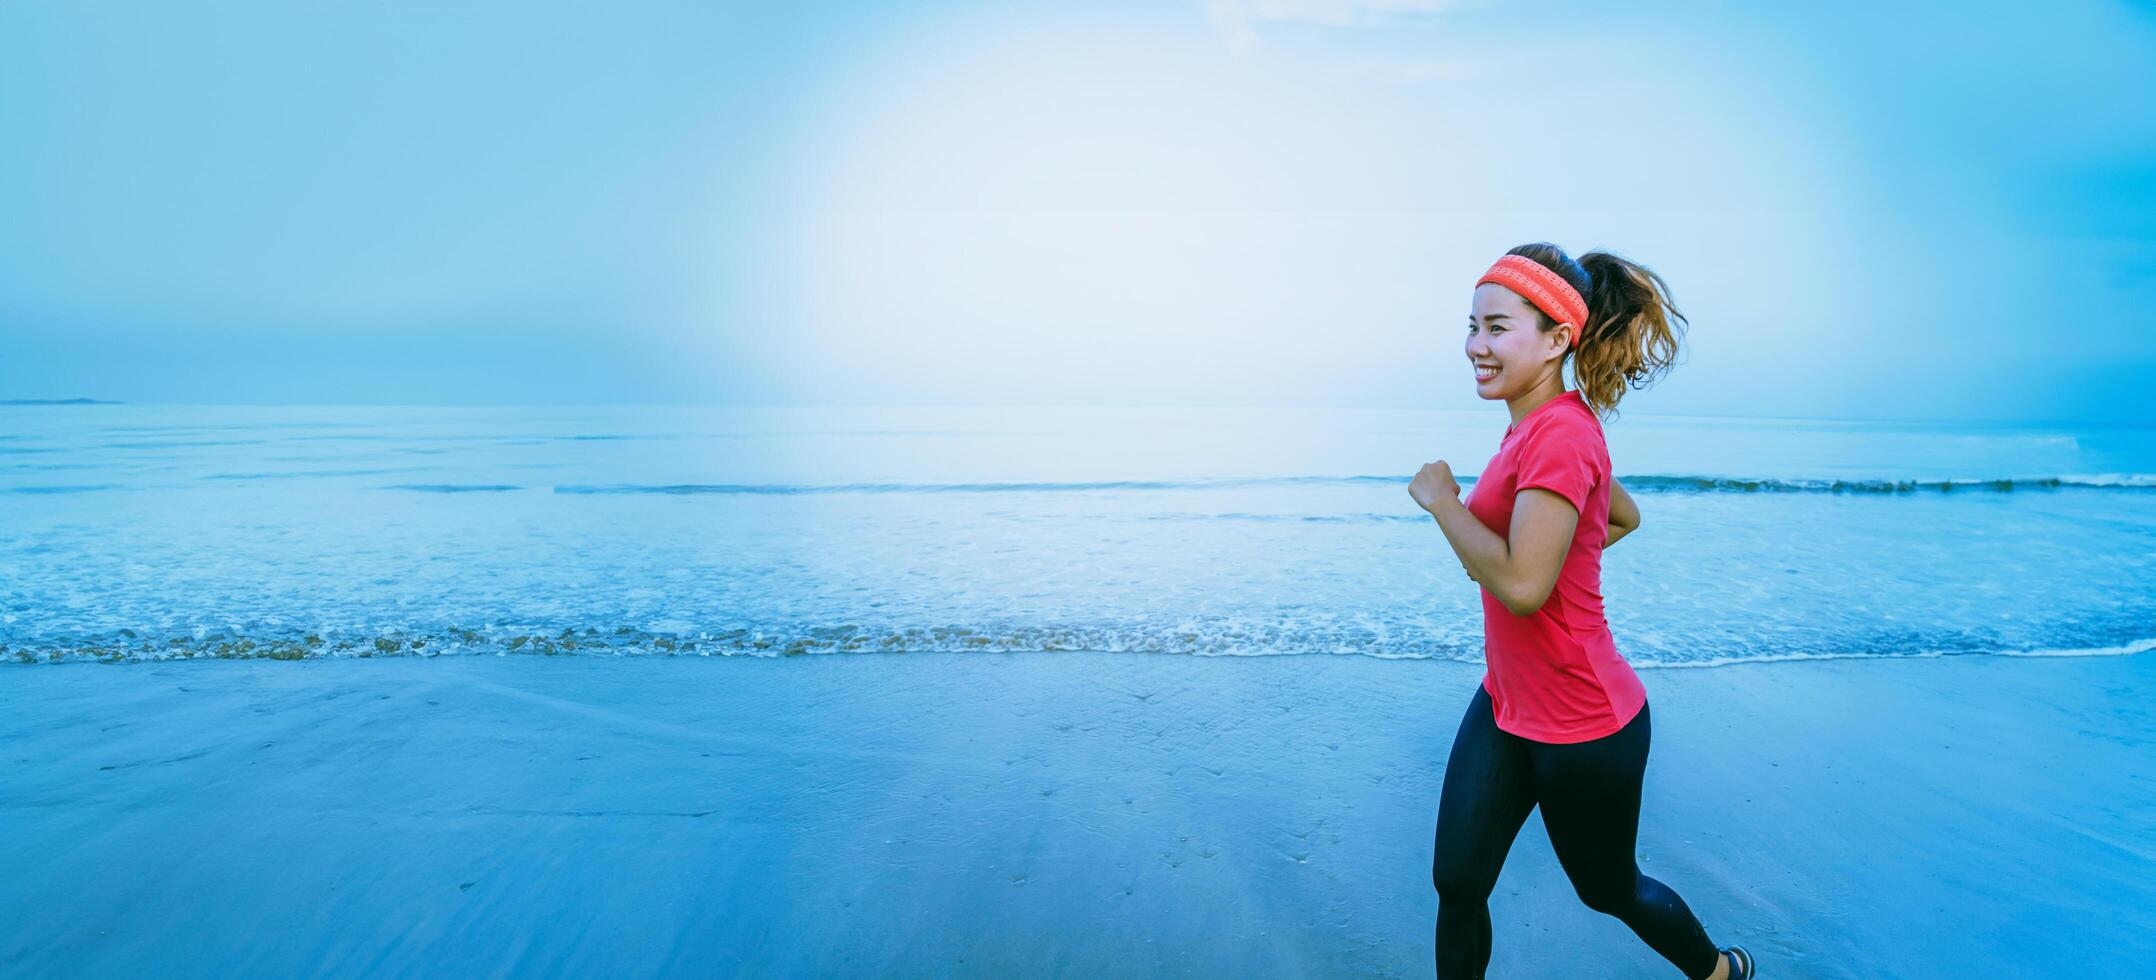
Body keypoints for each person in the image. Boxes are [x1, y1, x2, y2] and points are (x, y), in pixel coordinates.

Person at [1406, 244, 1755, 979]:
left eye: (1497, 327)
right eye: (1471, 326)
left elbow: (1525, 587)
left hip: (1584, 719)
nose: (1476, 344)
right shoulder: (1537, 427)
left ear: (1558, 337)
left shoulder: (1561, 433)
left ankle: (1721, 972)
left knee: (1608, 889)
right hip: (1507, 702)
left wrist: (1444, 502)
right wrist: (1550, 553)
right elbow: (1618, 515)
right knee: (1457, 883)